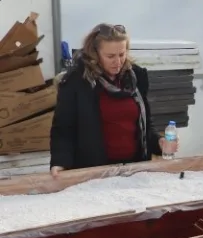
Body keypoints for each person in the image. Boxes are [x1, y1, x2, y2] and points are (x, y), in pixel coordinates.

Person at [50, 23, 175, 176]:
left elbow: (145, 126)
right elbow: (63, 129)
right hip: (94, 171)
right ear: (95, 53)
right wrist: (60, 162)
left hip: (134, 170)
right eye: (110, 56)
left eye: (122, 54)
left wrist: (159, 142)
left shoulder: (136, 78)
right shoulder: (78, 82)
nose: (118, 62)